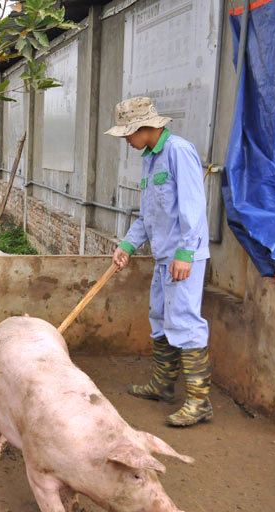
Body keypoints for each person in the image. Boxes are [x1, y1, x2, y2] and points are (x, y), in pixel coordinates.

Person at [105, 96, 212, 427]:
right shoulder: (150, 159)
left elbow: (193, 207)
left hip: (183, 257)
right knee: (160, 316)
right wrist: (127, 244)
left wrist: (185, 254)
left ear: (145, 127)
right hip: (163, 256)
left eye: (128, 134)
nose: (126, 141)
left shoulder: (178, 151)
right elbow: (149, 214)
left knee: (184, 322)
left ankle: (199, 402)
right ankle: (163, 385)